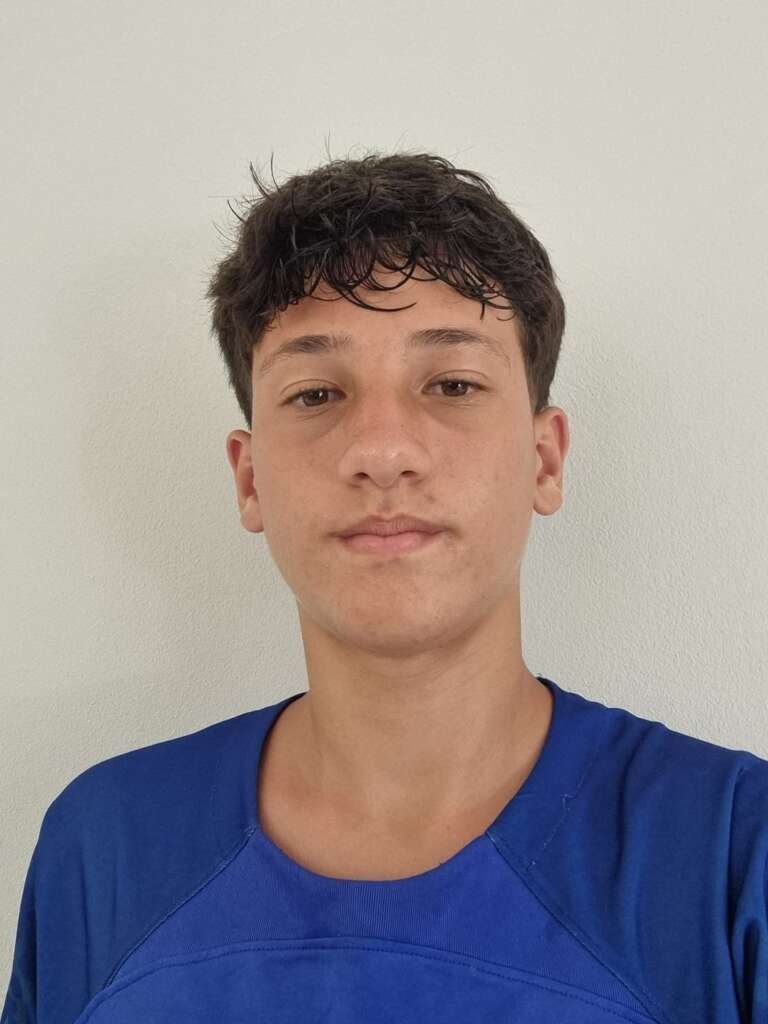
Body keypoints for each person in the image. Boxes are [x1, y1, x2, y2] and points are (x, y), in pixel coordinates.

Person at [3, 150, 766, 1024]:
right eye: (316, 393)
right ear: (249, 480)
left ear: (545, 459)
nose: (382, 450)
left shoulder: (729, 851)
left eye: (452, 384)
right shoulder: (106, 845)